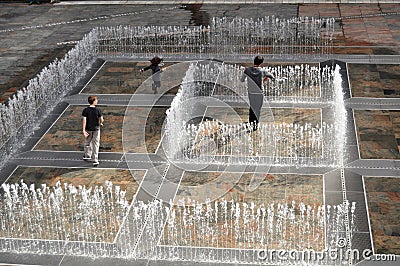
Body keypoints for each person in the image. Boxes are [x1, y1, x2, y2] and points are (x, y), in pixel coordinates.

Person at [240, 55, 274, 131]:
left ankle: (250, 123)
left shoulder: (247, 70)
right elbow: (272, 77)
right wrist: (265, 78)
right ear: (261, 63)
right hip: (259, 93)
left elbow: (241, 80)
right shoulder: (263, 71)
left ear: (254, 61)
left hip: (251, 93)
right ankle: (255, 125)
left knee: (252, 107)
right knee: (258, 109)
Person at [82, 95, 104, 167]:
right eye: (96, 100)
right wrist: (100, 123)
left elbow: (84, 120)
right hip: (96, 129)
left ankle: (87, 155)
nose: (97, 101)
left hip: (88, 129)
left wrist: (83, 130)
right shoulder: (98, 110)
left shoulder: (85, 110)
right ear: (94, 101)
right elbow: (101, 119)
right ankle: (95, 160)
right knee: (96, 144)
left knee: (87, 142)